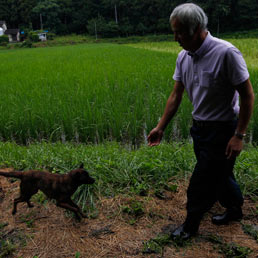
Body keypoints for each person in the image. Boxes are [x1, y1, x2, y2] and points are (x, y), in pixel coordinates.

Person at [147, 3, 254, 241]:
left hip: (223, 130)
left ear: (197, 29)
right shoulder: (183, 56)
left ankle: (190, 225)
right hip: (200, 129)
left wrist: (239, 135)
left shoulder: (226, 53)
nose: (175, 38)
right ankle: (235, 209)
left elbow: (247, 95)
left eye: (180, 32)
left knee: (200, 183)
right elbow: (176, 95)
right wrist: (160, 127)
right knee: (221, 175)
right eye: (173, 32)